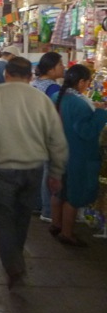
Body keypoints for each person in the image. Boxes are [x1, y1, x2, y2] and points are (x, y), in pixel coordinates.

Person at [0, 57, 68, 289]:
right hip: (33, 171)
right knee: (22, 220)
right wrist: (56, 172)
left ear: (6, 74)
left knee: (2, 220)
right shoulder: (41, 100)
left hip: (2, 171)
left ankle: (13, 264)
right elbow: (57, 140)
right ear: (30, 76)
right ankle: (17, 257)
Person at [51, 64, 107, 247]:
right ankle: (67, 234)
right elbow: (86, 131)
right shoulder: (80, 104)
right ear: (81, 82)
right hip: (77, 154)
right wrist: (100, 112)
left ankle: (56, 224)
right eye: (88, 82)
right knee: (73, 196)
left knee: (59, 192)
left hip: (60, 152)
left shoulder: (57, 97)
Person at [30, 51, 65, 222]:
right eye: (60, 64)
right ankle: (48, 210)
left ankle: (36, 205)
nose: (63, 67)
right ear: (51, 70)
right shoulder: (53, 88)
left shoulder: (34, 84)